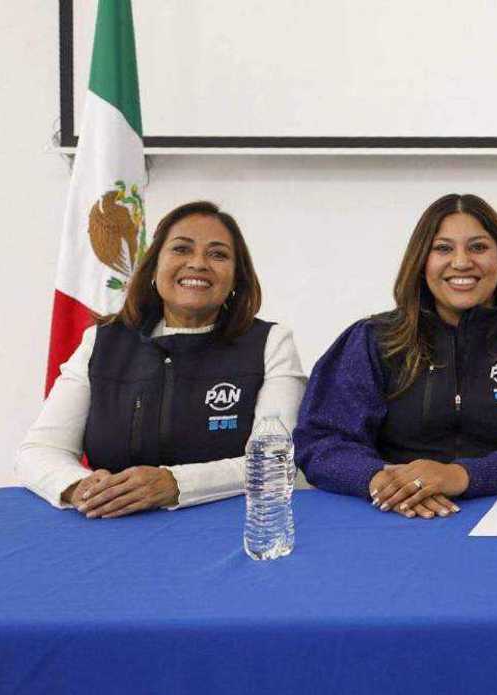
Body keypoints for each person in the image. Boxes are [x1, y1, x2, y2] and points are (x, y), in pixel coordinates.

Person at [294, 194, 497, 518]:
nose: (462, 262)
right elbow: (322, 440)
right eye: (443, 248)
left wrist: (458, 477)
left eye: (478, 247)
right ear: (421, 262)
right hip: (394, 514)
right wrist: (384, 482)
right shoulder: (371, 340)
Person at [16, 201, 307, 517]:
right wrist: (81, 488)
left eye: (218, 254)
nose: (198, 263)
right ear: (153, 266)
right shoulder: (101, 341)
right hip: (111, 527)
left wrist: (176, 484)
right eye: (181, 249)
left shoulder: (270, 343)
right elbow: (40, 450)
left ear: (237, 277)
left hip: (227, 527)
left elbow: (278, 460)